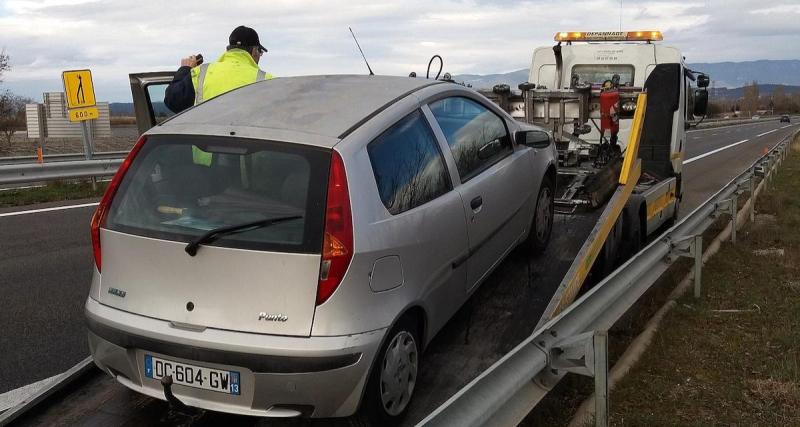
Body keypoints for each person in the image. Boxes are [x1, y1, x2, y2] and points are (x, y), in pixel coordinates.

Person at [164, 25, 273, 113]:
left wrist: (185, 69)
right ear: (254, 51)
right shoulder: (267, 80)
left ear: (228, 49)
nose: (259, 56)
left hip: (207, 140)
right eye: (260, 52)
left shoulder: (202, 73)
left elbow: (173, 100)